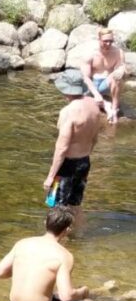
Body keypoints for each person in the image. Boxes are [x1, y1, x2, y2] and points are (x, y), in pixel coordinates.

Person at [0, 207, 88, 301]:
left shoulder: (22, 243)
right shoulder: (64, 256)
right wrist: (83, 292)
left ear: (45, 223)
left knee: (57, 294)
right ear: (67, 230)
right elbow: (66, 297)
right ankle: (105, 293)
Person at [44, 74, 103, 207]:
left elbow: (62, 148)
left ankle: (57, 228)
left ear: (66, 91)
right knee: (75, 204)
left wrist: (50, 176)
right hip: (84, 162)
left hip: (66, 167)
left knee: (56, 207)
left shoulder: (68, 112)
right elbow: (95, 139)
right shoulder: (94, 106)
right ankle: (78, 227)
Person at [79, 28, 126, 123]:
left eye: (111, 41)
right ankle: (105, 104)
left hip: (107, 83)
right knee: (79, 96)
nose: (108, 44)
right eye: (105, 41)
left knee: (117, 76)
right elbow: (85, 77)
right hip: (93, 83)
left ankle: (114, 110)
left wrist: (122, 70)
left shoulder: (118, 53)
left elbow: (119, 70)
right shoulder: (90, 53)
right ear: (99, 39)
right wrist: (96, 94)